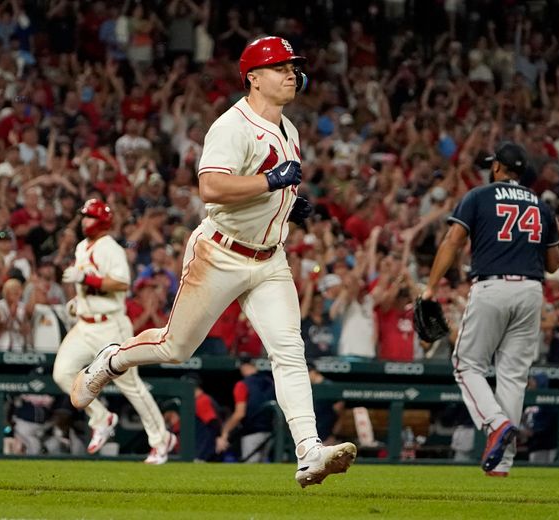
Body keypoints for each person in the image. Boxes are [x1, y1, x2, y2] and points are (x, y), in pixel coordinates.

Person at [70, 36, 356, 487]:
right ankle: (112, 359)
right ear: (253, 79)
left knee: (289, 351)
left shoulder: (290, 129)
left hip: (269, 259)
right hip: (221, 252)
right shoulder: (232, 125)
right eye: (278, 66)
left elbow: (272, 185)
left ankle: (309, 452)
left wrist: (288, 202)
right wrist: (270, 183)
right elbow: (212, 188)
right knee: (175, 347)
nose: (290, 73)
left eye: (292, 65)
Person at [422, 142, 559, 476]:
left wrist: (430, 287)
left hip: (492, 286)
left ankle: (496, 424)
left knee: (465, 364)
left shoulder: (479, 195)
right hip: (531, 291)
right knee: (513, 377)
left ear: (498, 167)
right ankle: (503, 463)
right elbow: (555, 263)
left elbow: (453, 241)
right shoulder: (542, 207)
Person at [53, 199, 175, 465]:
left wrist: (86, 280)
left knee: (130, 386)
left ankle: (161, 439)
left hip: (111, 326)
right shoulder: (82, 247)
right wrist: (80, 301)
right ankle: (102, 418)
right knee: (62, 373)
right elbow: (90, 285)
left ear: (102, 221)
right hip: (85, 324)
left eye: (89, 217)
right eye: (83, 216)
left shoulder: (110, 248)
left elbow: (121, 283)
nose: (85, 221)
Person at [216, 358, 276, 463]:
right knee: (264, 469)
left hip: (252, 432)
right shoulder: (270, 382)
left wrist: (225, 431)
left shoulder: (242, 385)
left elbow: (240, 413)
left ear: (243, 367)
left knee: (251, 469)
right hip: (271, 431)